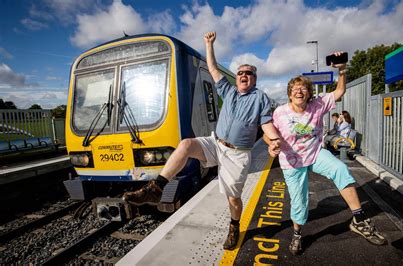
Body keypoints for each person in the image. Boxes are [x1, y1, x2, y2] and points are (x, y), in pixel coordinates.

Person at [123, 31, 281, 250]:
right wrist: (209, 44)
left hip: (237, 154)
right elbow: (213, 68)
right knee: (186, 144)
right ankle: (156, 189)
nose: (244, 75)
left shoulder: (260, 98)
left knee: (233, 199)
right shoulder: (229, 91)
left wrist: (274, 140)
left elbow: (266, 124)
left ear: (255, 78)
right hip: (216, 143)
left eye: (249, 73)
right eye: (241, 73)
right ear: (237, 77)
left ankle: (234, 226)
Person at [265, 54, 385, 255]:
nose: (299, 91)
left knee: (340, 168)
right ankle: (297, 233)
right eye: (295, 89)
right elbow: (268, 135)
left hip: (315, 153)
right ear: (289, 94)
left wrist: (342, 70)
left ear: (309, 93)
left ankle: (359, 219)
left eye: (303, 88)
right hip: (292, 161)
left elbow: (340, 90)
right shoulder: (280, 113)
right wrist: (271, 144)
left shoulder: (317, 104)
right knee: (299, 201)